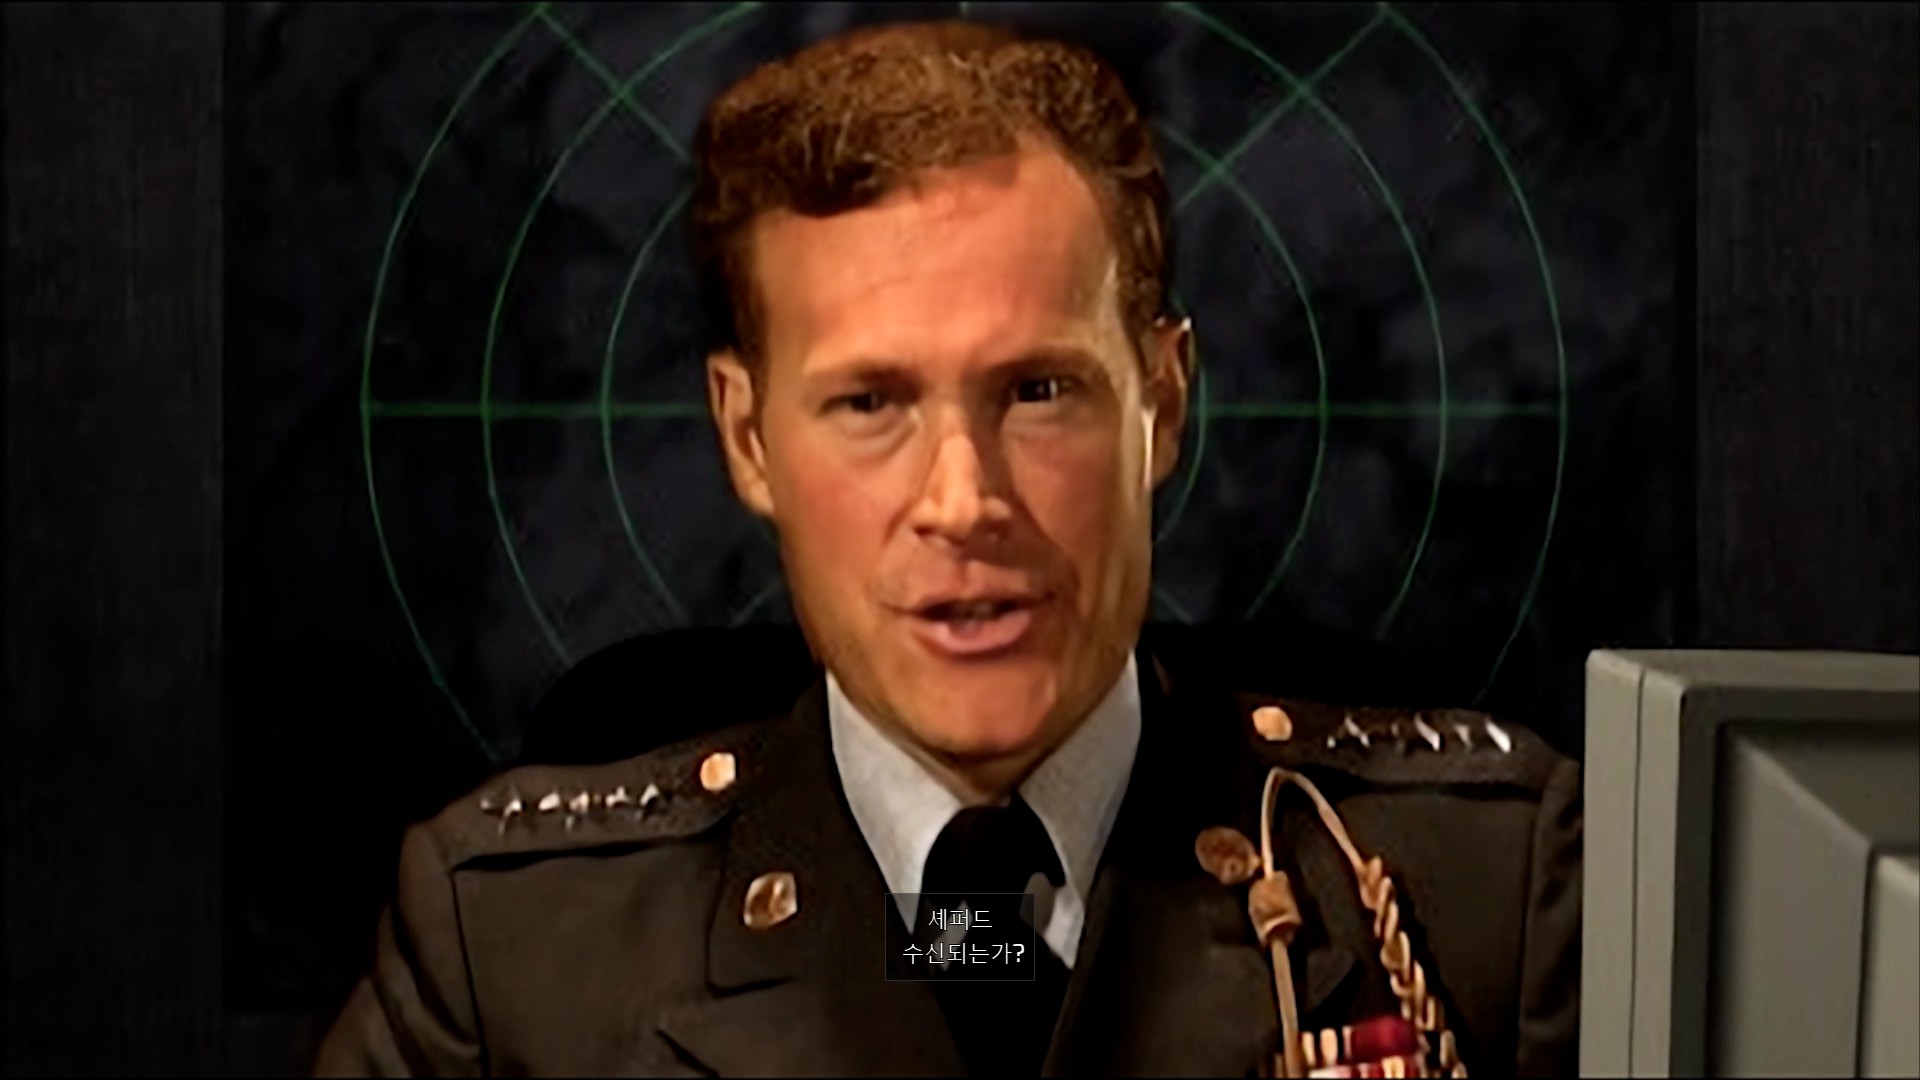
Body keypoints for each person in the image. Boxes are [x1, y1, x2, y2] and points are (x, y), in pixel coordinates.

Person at [314, 18, 1580, 1078]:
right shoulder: (511, 956)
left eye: (1038, 392)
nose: (964, 501)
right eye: (870, 403)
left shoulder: (1490, 895)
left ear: (1162, 402)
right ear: (748, 439)